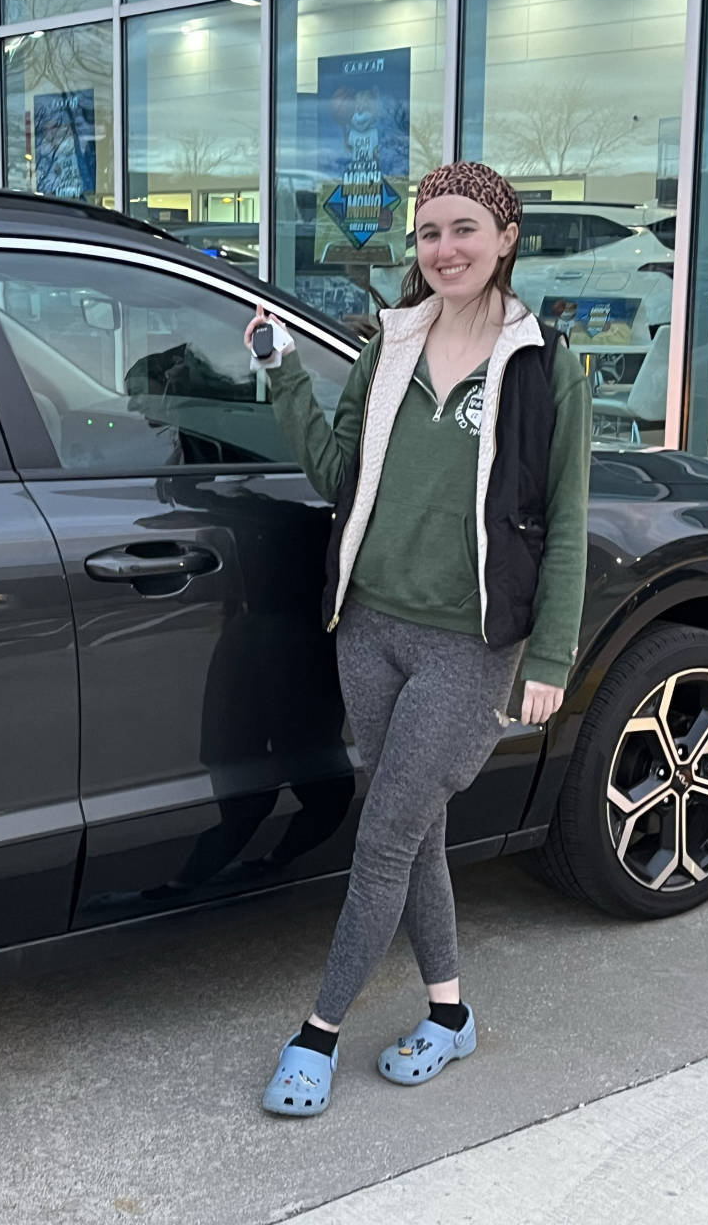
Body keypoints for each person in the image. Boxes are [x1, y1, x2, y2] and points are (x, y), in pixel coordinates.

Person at [243, 161, 592, 1117]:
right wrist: (279, 373)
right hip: (369, 628)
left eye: (464, 230)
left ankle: (317, 1034)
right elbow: (334, 472)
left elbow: (563, 522)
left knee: (385, 840)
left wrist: (550, 659)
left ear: (505, 236)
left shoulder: (544, 364)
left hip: (470, 647)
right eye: (429, 233)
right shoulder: (388, 348)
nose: (445, 249)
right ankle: (448, 1016)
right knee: (418, 828)